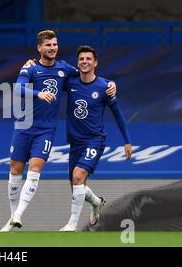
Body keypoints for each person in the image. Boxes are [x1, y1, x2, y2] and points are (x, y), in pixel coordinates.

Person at [0, 31, 116, 232]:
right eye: (48, 45)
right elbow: (18, 90)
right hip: (24, 126)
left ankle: (18, 215)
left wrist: (110, 84)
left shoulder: (64, 69)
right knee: (15, 170)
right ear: (39, 48)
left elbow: (86, 75)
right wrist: (39, 93)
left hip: (46, 130)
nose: (52, 48)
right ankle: (12, 217)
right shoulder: (30, 69)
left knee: (35, 170)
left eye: (54, 44)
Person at [59, 45, 132, 232]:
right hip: (75, 143)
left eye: (88, 59)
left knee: (77, 176)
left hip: (94, 140)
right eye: (81, 59)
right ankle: (97, 202)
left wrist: (127, 141)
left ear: (95, 62)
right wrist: (32, 64)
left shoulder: (104, 87)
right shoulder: (71, 82)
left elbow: (118, 114)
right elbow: (50, 73)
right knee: (77, 186)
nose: (85, 61)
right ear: (78, 63)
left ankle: (71, 225)